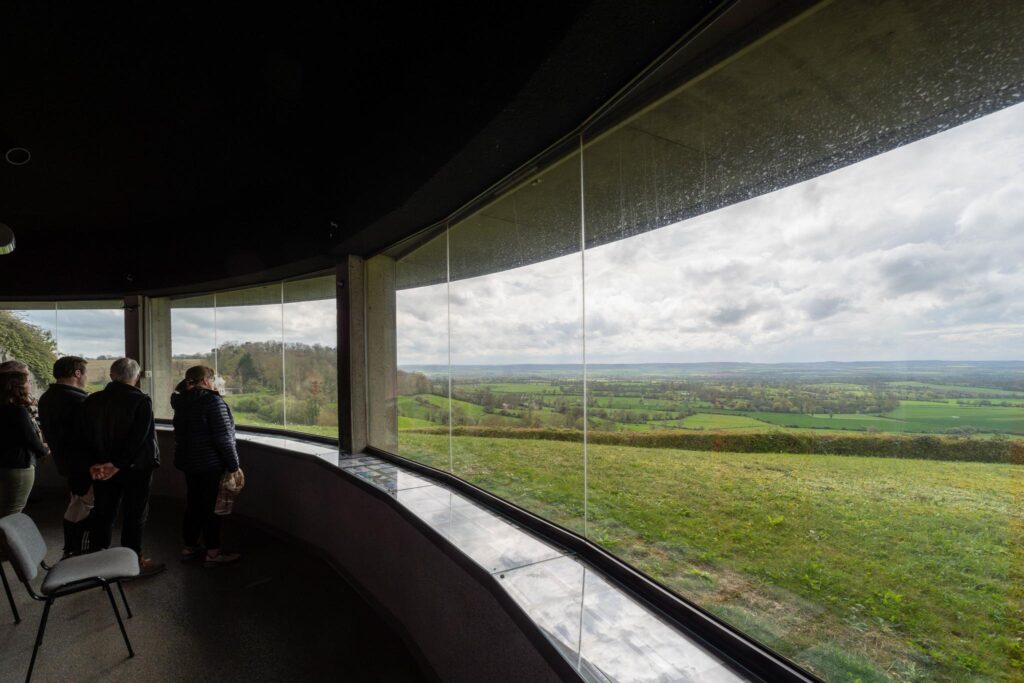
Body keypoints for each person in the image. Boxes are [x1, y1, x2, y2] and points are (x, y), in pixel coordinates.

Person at [81, 357, 164, 576]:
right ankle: (133, 563)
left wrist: (97, 463)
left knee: (104, 513)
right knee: (135, 515)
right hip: (136, 468)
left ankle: (98, 562)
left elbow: (85, 436)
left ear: (111, 375)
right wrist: (118, 464)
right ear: (136, 378)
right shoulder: (141, 400)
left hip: (101, 467)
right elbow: (139, 438)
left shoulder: (92, 400)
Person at [171, 366, 241, 566]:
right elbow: (223, 437)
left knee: (193, 504)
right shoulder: (212, 401)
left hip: (189, 463)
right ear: (206, 380)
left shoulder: (182, 401)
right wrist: (234, 465)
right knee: (212, 508)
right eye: (214, 378)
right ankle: (213, 553)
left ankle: (189, 547)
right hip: (210, 464)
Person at [37, 356, 93, 556]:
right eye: (85, 373)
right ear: (77, 373)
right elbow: (89, 436)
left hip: (65, 462)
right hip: (85, 464)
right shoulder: (79, 401)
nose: (87, 378)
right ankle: (78, 551)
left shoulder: (46, 398)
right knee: (85, 507)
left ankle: (71, 548)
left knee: (76, 503)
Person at [0, 370, 49, 516]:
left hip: (3, 463)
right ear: (17, 387)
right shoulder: (17, 411)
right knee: (12, 512)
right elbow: (29, 438)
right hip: (17, 465)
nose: (30, 384)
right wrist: (44, 450)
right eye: (27, 382)